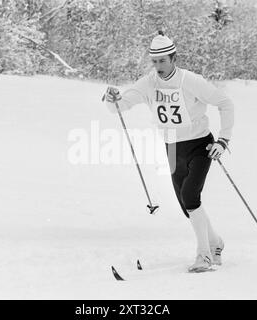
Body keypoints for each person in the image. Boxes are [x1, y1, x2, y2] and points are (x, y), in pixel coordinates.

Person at [103, 31, 234, 272]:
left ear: (174, 58)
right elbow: (122, 105)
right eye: (154, 61)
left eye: (163, 61)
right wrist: (112, 98)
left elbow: (225, 103)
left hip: (199, 145)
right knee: (187, 204)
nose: (158, 66)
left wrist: (223, 140)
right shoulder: (149, 82)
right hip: (172, 147)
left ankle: (204, 256)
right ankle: (216, 243)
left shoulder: (190, 80)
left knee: (191, 195)